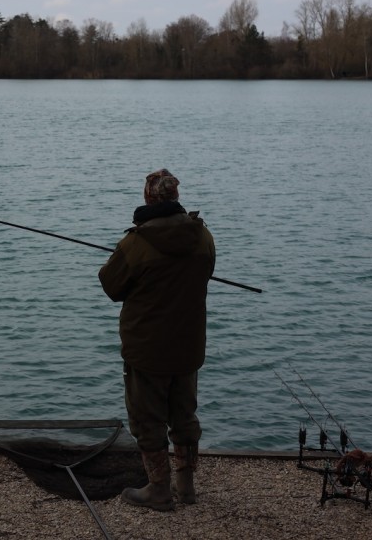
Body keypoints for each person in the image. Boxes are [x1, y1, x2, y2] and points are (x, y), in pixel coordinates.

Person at [98, 168, 215, 511]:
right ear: (176, 197)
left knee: (148, 420)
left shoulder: (137, 242)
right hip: (188, 345)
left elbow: (111, 285)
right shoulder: (203, 236)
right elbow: (205, 272)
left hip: (147, 348)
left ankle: (159, 490)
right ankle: (187, 487)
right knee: (184, 416)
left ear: (148, 198)